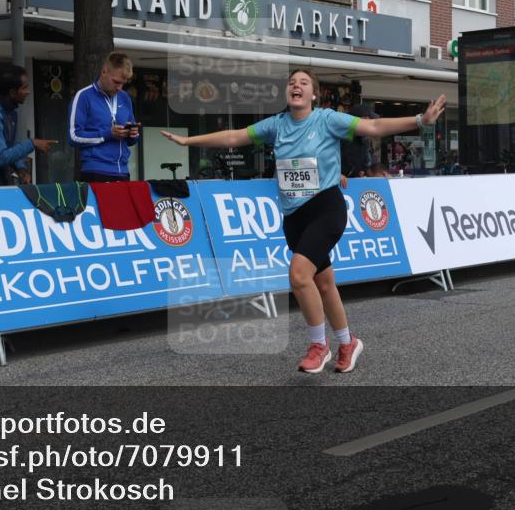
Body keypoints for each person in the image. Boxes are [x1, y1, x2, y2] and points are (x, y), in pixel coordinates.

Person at [162, 69, 446, 374]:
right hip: (294, 217)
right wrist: (188, 140)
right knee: (324, 283)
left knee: (299, 275)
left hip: (326, 208)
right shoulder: (276, 125)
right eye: (291, 83)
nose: (296, 86)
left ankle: (317, 345)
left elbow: (373, 126)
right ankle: (348, 342)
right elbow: (235, 136)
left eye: (304, 83)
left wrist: (420, 120)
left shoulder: (327, 120)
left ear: (314, 95)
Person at [0, 65, 56, 189]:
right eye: (25, 88)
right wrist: (32, 143)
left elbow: (8, 146)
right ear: (12, 92)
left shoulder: (10, 112)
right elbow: (0, 157)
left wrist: (20, 167)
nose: (28, 92)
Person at [69, 52, 140, 182]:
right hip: (96, 170)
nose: (119, 88)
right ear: (104, 72)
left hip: (123, 171)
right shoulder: (84, 96)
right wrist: (108, 134)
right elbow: (74, 137)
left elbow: (131, 141)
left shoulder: (125, 98)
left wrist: (133, 134)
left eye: (123, 83)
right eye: (116, 82)